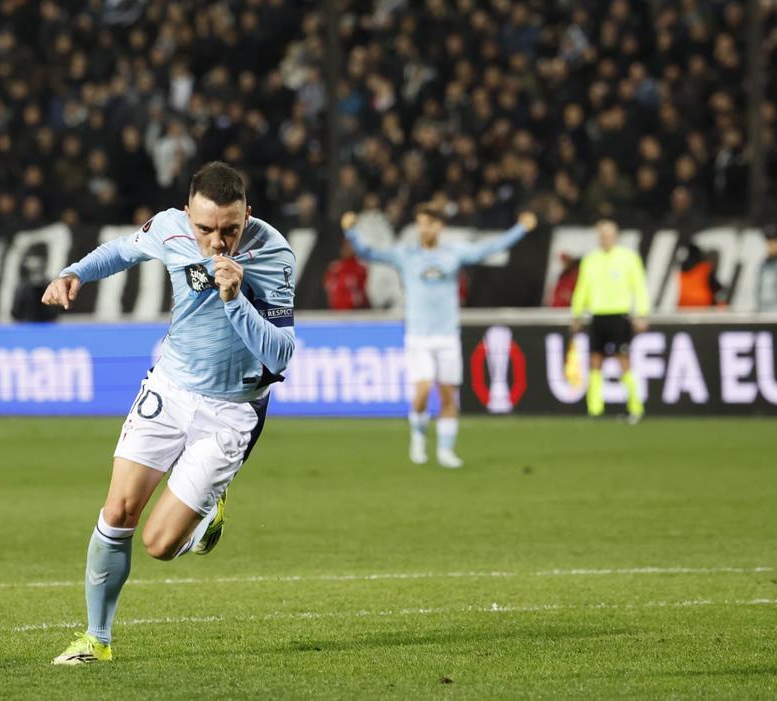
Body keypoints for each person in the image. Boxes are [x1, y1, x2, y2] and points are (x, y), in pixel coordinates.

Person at [43, 162, 295, 665]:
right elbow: (122, 250)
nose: (217, 242)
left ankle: (207, 512)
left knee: (159, 545)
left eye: (230, 230)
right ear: (187, 214)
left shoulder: (273, 254)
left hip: (231, 410)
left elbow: (281, 354)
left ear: (248, 215)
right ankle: (96, 640)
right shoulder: (168, 227)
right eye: (205, 229)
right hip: (171, 388)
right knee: (118, 511)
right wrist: (74, 273)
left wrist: (235, 299)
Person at [342, 205, 537, 468]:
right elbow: (369, 253)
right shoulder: (405, 255)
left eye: (429, 224)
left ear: (440, 227)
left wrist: (521, 229)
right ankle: (418, 435)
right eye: (421, 223)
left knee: (448, 396)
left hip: (447, 336)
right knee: (422, 390)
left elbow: (489, 249)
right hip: (419, 337)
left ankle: (446, 452)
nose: (424, 229)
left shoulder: (453, 253)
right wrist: (351, 231)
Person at [569, 220, 650, 422]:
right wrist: (577, 314)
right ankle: (595, 409)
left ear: (616, 236)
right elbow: (582, 288)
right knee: (595, 360)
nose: (605, 239)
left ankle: (635, 408)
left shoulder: (628, 258)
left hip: (619, 315)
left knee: (623, 360)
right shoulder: (590, 259)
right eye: (602, 235)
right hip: (598, 316)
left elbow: (639, 286)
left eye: (608, 235)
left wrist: (641, 313)